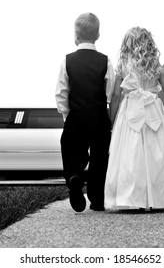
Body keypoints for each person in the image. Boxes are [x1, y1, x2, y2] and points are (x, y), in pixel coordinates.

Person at [104, 27, 164, 211]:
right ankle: (159, 198)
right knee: (157, 151)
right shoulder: (156, 65)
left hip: (130, 109)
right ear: (148, 43)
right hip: (153, 109)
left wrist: (112, 119)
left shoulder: (122, 66)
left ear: (127, 44)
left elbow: (116, 96)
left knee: (130, 153)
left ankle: (133, 198)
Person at [55, 12, 115, 212]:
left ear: (76, 35)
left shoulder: (67, 60)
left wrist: (66, 115)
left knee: (72, 150)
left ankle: (74, 176)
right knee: (100, 157)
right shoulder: (105, 61)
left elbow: (61, 92)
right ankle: (97, 199)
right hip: (98, 114)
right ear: (98, 35)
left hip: (76, 114)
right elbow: (110, 92)